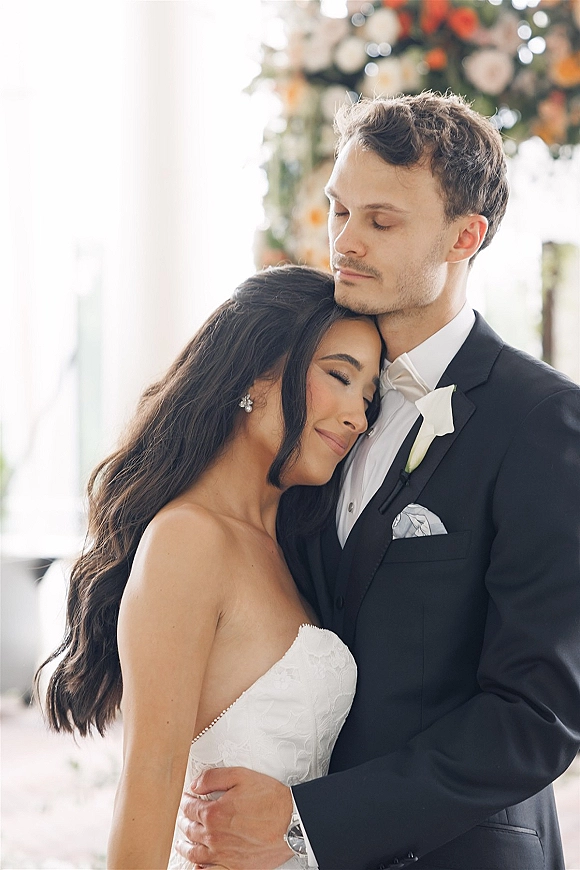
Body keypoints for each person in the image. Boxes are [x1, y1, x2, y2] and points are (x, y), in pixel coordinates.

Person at [176, 93, 580, 870]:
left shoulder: (542, 422)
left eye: (381, 222)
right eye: (339, 210)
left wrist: (310, 823)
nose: (345, 242)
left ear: (465, 237)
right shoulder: (307, 400)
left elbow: (537, 717)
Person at [37, 265, 383, 870]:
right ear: (256, 371)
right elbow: (150, 780)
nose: (359, 415)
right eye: (339, 376)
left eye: (369, 396)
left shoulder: (285, 549)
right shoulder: (188, 540)